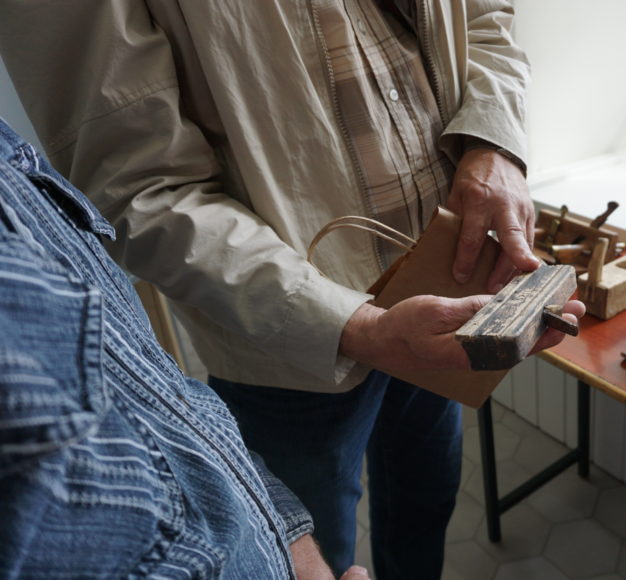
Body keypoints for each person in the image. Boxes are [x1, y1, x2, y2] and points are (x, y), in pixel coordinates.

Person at [0, 1, 583, 578]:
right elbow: (140, 191)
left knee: (426, 501)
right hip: (292, 345)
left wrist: (493, 144)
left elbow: (486, 17)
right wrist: (358, 326)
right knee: (310, 551)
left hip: (444, 285)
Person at [0, 117, 370, 580]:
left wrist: (293, 545)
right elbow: (143, 191)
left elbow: (160, 397)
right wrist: (354, 325)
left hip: (395, 312)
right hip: (295, 357)